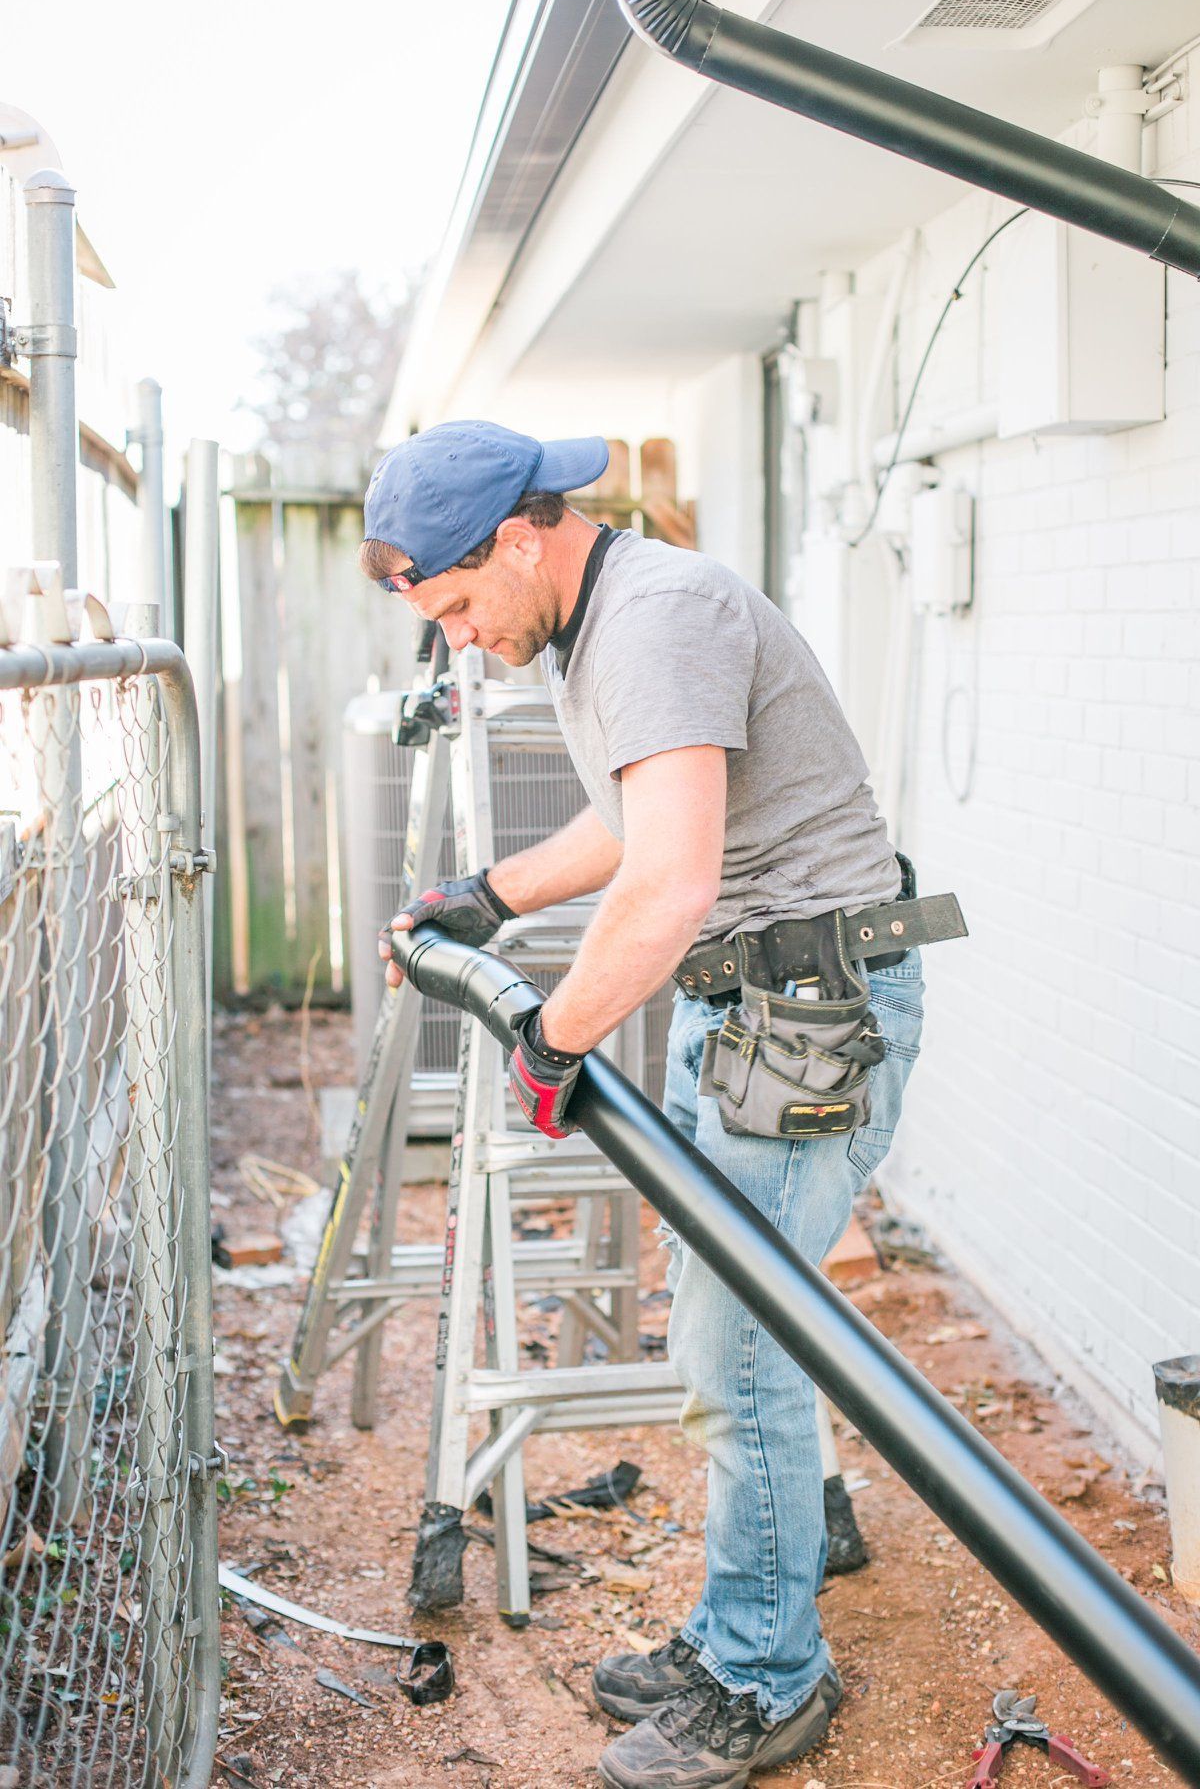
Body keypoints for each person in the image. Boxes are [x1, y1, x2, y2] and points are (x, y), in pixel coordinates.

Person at [361, 420, 927, 1789]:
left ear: (520, 539)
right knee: (731, 1348)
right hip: (753, 1008)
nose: (462, 641)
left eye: (457, 608)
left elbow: (666, 884)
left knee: (740, 1357)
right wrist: (492, 896)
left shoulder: (654, 617)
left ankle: (765, 1676)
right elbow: (638, 821)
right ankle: (743, 1620)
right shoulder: (605, 619)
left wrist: (549, 1038)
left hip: (809, 1018)